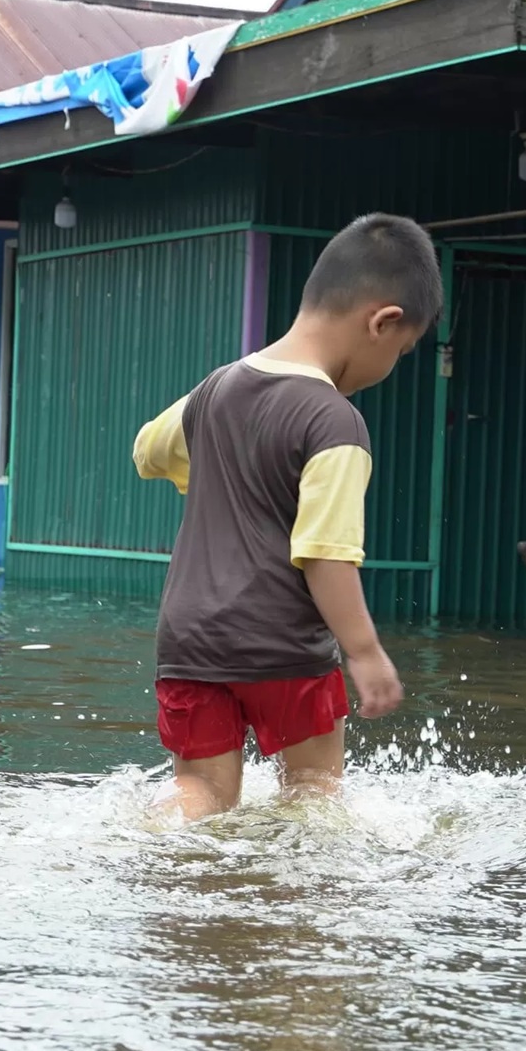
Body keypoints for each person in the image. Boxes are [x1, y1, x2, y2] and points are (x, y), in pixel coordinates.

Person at [133, 213, 435, 821]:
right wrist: (366, 652)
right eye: (401, 351)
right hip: (284, 646)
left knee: (203, 795)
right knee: (314, 799)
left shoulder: (216, 389)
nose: (391, 366)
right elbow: (324, 552)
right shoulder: (335, 422)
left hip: (190, 640)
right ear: (383, 322)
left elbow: (148, 450)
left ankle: (143, 836)